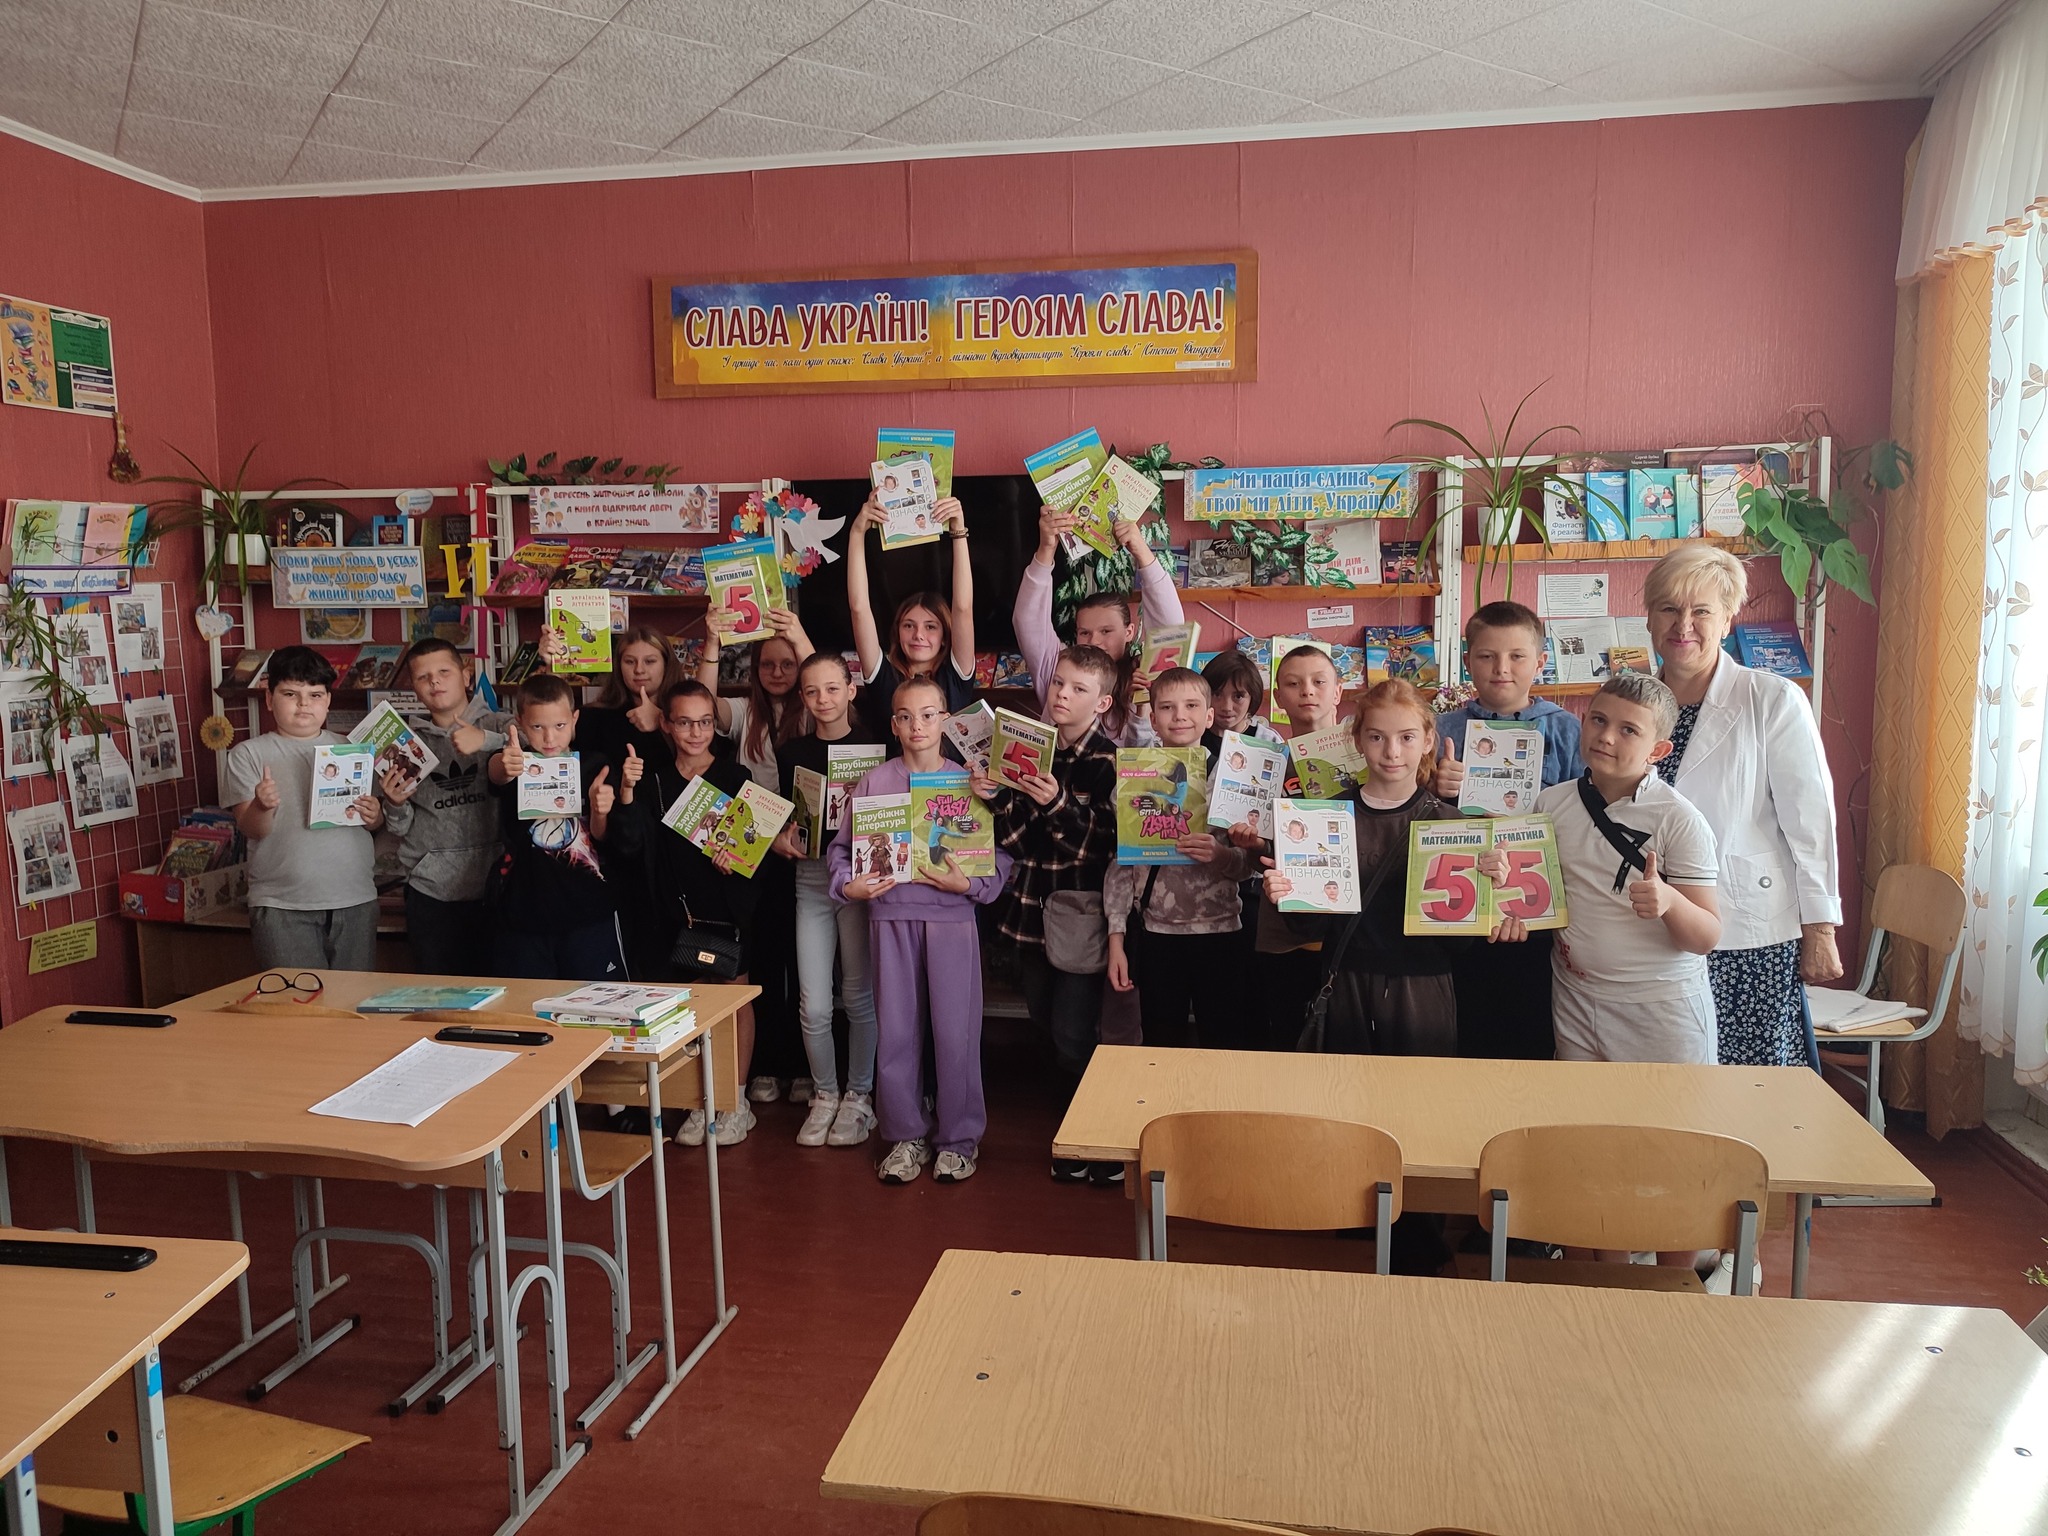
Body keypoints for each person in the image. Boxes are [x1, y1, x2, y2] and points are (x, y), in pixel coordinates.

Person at [1643, 544, 1842, 1067]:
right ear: (1649, 618)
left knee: (1753, 1084)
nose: (1683, 625)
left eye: (1701, 611)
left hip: (1745, 931)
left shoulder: (1771, 699)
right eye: (1669, 608)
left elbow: (1811, 822)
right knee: (1670, 1082)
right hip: (1650, 928)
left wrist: (1820, 929)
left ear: (1728, 619)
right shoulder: (1630, 702)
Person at [831, 675, 1011, 1185]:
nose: (917, 726)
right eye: (906, 716)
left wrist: (971, 885)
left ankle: (958, 1140)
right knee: (896, 1033)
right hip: (890, 918)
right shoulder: (874, 782)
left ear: (946, 721)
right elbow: (841, 852)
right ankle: (904, 1136)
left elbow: (1000, 854)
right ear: (893, 724)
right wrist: (849, 886)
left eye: (928, 715)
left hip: (952, 920)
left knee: (957, 1033)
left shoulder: (971, 781)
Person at [1491, 671, 1722, 1065]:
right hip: (1574, 1000)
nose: (1607, 737)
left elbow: (1705, 938)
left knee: (1668, 1108)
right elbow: (1531, 899)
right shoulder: (1551, 804)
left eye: (1628, 730)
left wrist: (1669, 901)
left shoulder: (1679, 820)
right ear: (1583, 722)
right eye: (1598, 720)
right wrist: (1500, 884)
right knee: (1580, 1107)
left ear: (1658, 750)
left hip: (1660, 1009)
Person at [1260, 679, 1481, 1060]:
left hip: (1423, 991)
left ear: (1428, 740)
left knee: (1421, 1092)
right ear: (1358, 741)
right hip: (1345, 985)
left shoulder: (1450, 823)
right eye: (1377, 737)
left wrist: (1483, 892)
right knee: (1346, 1092)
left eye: (1407, 738)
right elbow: (1310, 927)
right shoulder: (1322, 818)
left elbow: (1460, 943)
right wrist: (1286, 895)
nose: (1392, 752)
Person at [606, 679, 760, 1147]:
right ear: (667, 725)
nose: (697, 732)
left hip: (727, 906)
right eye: (686, 723)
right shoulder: (654, 781)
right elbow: (631, 846)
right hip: (675, 913)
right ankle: (700, 1099)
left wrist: (737, 860)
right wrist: (626, 792)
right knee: (692, 1009)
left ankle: (735, 1101)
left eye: (706, 722)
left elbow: (755, 848)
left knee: (735, 1000)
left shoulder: (736, 777)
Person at [1431, 601, 1585, 1061]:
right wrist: (1436, 789)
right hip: (1458, 907)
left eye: (1517, 656)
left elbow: (1584, 815)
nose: (1502, 668)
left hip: (1536, 909)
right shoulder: (1441, 730)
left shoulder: (1566, 730)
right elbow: (1413, 818)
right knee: (1462, 1033)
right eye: (1487, 656)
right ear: (1467, 661)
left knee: (1529, 1033)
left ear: (1540, 662)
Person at [991, 646, 1120, 1183]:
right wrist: (997, 797)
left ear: (1102, 702)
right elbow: (1016, 842)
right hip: (1029, 912)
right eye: (1058, 683)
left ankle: (1092, 1137)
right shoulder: (1032, 748)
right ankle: (1074, 1127)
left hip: (1082, 918)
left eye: (1078, 689)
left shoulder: (1109, 761)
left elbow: (1104, 848)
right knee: (1044, 1020)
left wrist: (1056, 804)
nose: (1062, 694)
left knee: (1073, 1030)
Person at [1104, 669, 1256, 1047]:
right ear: (1153, 719)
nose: (1180, 716)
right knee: (1161, 1040)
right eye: (1167, 707)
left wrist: (1221, 854)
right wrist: (1116, 938)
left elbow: (1248, 867)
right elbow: (1121, 864)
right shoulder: (1133, 779)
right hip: (1157, 934)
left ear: (1209, 715)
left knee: (1225, 1041)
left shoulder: (1231, 780)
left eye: (1191, 706)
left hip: (1221, 933)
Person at [699, 608, 814, 1106]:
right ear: (754, 669)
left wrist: (799, 635)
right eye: (768, 664)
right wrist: (711, 640)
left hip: (805, 845)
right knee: (764, 960)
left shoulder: (812, 708)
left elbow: (828, 686)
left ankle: (805, 1067)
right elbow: (702, 703)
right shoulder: (745, 712)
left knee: (805, 966)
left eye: (788, 664)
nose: (778, 673)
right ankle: (767, 1063)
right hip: (754, 845)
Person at [770, 653, 883, 1148]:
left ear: (851, 690)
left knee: (858, 995)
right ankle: (824, 1094)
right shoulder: (792, 751)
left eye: (833, 688)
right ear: (802, 697)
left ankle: (859, 1096)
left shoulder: (877, 746)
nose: (823, 699)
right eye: (812, 691)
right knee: (814, 1002)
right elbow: (785, 816)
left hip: (860, 878)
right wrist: (780, 837)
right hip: (813, 879)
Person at [222, 646, 384, 969]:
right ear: (269, 699)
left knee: (356, 996)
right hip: (282, 904)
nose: (304, 704)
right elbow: (252, 828)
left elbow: (373, 822)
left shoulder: (353, 749)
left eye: (315, 695)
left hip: (354, 898)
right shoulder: (248, 754)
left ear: (328, 700)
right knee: (296, 998)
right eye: (290, 694)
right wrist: (262, 805)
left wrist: (374, 814)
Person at [377, 638, 512, 974]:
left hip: (499, 886)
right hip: (431, 892)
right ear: (414, 687)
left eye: (444, 672)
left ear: (466, 676)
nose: (434, 682)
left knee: (504, 989)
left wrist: (487, 741)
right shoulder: (403, 745)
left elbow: (545, 756)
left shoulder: (501, 726)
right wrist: (395, 803)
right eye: (423, 677)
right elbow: (399, 827)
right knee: (440, 994)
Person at [484, 673, 627, 981]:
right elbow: (496, 773)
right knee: (526, 1003)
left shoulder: (595, 765)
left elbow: (603, 837)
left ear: (575, 719)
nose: (550, 738)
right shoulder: (515, 763)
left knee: (598, 999)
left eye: (560, 725)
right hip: (526, 913)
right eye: (538, 727)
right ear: (521, 723)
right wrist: (505, 765)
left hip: (587, 910)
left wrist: (600, 810)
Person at [1016, 505, 1184, 745]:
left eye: (1106, 631)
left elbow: (1171, 631)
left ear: (1129, 632)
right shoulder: (1059, 666)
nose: (1094, 641)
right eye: (1084, 632)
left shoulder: (1142, 673)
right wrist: (1046, 548)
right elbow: (1028, 620)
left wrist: (1141, 550)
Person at [846, 489, 976, 742]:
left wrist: (958, 531)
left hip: (950, 770)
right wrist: (857, 532)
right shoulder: (884, 677)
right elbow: (859, 608)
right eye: (908, 625)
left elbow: (963, 608)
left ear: (945, 636)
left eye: (931, 627)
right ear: (897, 632)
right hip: (893, 770)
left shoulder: (954, 676)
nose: (918, 635)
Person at [1201, 650, 1285, 745]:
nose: (1227, 707)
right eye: (1217, 694)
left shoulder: (1269, 741)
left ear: (1252, 698)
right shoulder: (1192, 737)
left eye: (1238, 696)